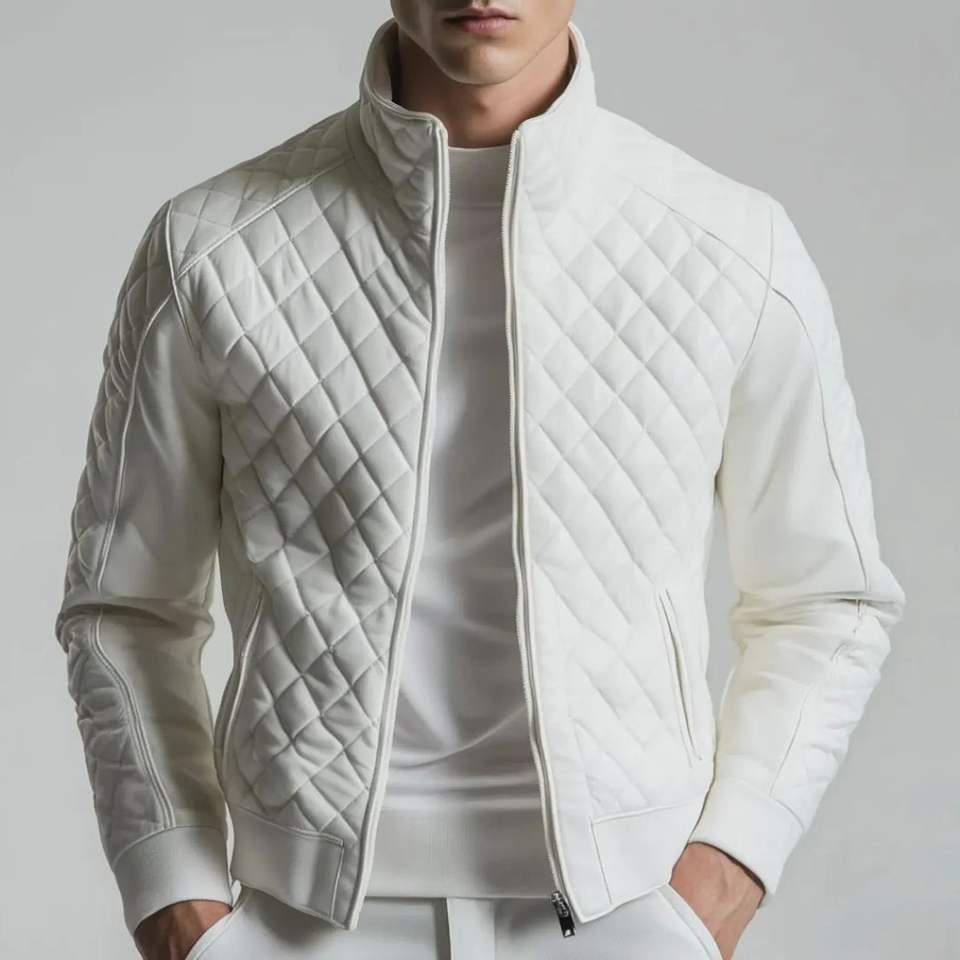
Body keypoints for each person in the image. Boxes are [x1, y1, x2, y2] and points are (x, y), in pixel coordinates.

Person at [53, 2, 906, 959]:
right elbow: (124, 608)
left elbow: (825, 598)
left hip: (628, 917)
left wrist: (731, 865)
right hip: (299, 921)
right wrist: (175, 896)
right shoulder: (212, 246)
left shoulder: (734, 245)